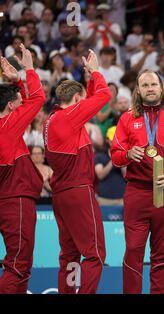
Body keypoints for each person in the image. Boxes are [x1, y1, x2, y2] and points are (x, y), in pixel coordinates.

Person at [110, 70, 164, 294]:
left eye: (153, 84)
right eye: (145, 85)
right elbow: (115, 154)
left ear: (161, 87)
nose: (150, 88)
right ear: (138, 89)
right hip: (138, 193)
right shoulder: (127, 117)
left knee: (163, 255)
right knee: (133, 251)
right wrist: (127, 154)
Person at [43, 49, 112, 294]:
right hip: (79, 192)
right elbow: (104, 96)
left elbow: (90, 102)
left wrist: (89, 79)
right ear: (75, 102)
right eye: (82, 101)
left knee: (70, 254)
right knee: (95, 254)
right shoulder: (69, 118)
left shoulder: (54, 118)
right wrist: (97, 73)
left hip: (62, 195)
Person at [0, 45, 45, 293]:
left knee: (19, 266)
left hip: (7, 198)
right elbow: (37, 98)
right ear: (9, 107)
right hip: (15, 200)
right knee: (18, 265)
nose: (22, 103)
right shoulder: (8, 125)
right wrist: (27, 69)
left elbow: (28, 100)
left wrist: (17, 82)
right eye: (18, 102)